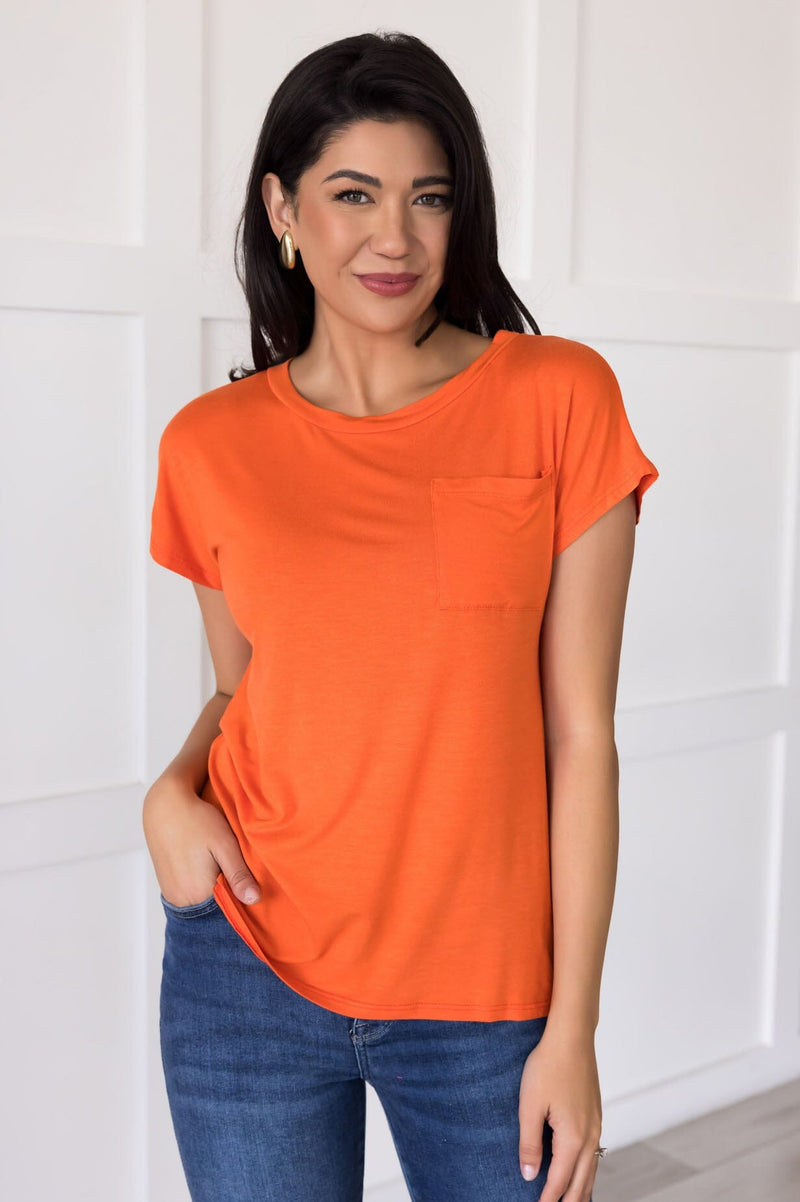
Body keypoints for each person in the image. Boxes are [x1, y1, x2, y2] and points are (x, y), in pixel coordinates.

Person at [144, 29, 659, 1202]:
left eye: (427, 197)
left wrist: (571, 1027)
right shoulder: (209, 445)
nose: (395, 236)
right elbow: (243, 687)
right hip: (244, 965)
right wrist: (169, 791)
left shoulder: (557, 397)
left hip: (484, 997)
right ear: (281, 208)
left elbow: (580, 734)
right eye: (352, 194)